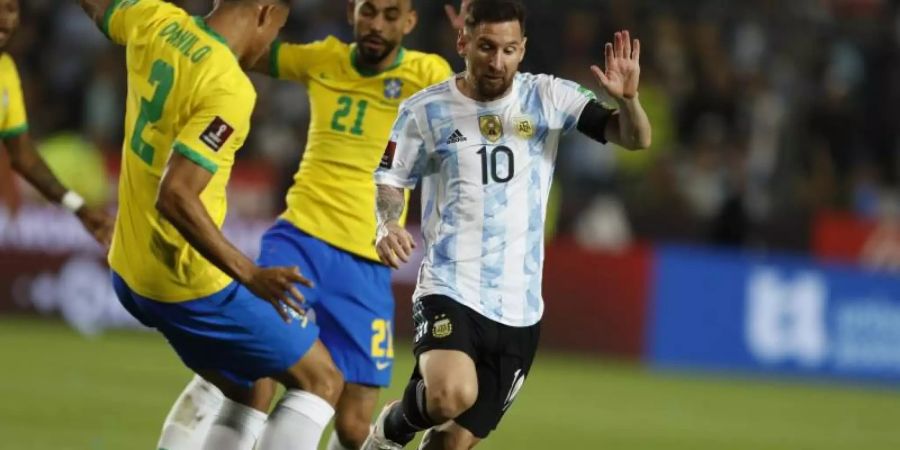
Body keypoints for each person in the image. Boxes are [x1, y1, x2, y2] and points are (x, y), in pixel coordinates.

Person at [159, 1, 461, 449]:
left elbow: (477, 95)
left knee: (356, 426)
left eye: (391, 15)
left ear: (410, 22)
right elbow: (245, 47)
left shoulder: (427, 71)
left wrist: (470, 47)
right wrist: (206, 24)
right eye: (368, 12)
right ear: (351, 12)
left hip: (369, 260)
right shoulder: (324, 57)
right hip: (300, 241)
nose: (376, 25)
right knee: (255, 376)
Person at [364, 0, 651, 448]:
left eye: (509, 50)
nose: (497, 61)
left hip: (520, 308)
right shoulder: (425, 111)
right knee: (447, 396)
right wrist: (387, 223)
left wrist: (629, 102)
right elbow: (390, 181)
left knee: (451, 443)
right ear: (463, 41)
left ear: (523, 50)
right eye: (486, 47)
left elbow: (635, 138)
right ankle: (390, 430)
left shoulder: (548, 97)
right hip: (451, 286)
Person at [76, 1, 344, 449]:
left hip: (128, 271)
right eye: (278, 27)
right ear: (264, 11)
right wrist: (250, 274)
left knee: (250, 386)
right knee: (321, 379)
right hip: (185, 282)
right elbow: (176, 194)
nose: (272, 41)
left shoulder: (155, 19)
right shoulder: (228, 86)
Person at [0, 0, 113, 246]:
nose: (5, 19)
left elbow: (26, 160)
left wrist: (80, 209)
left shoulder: (6, 73)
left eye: (11, 9)